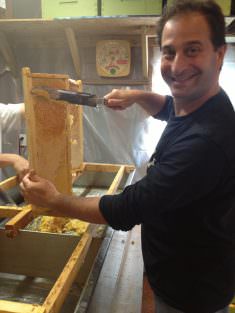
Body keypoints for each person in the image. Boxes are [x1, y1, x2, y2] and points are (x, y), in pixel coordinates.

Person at [20, 1, 235, 312]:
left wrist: (55, 201)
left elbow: (126, 209)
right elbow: (173, 110)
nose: (176, 66)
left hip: (191, 292)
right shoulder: (204, 102)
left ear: (219, 54)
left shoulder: (205, 143)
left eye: (192, 50)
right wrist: (138, 96)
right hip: (183, 269)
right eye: (169, 51)